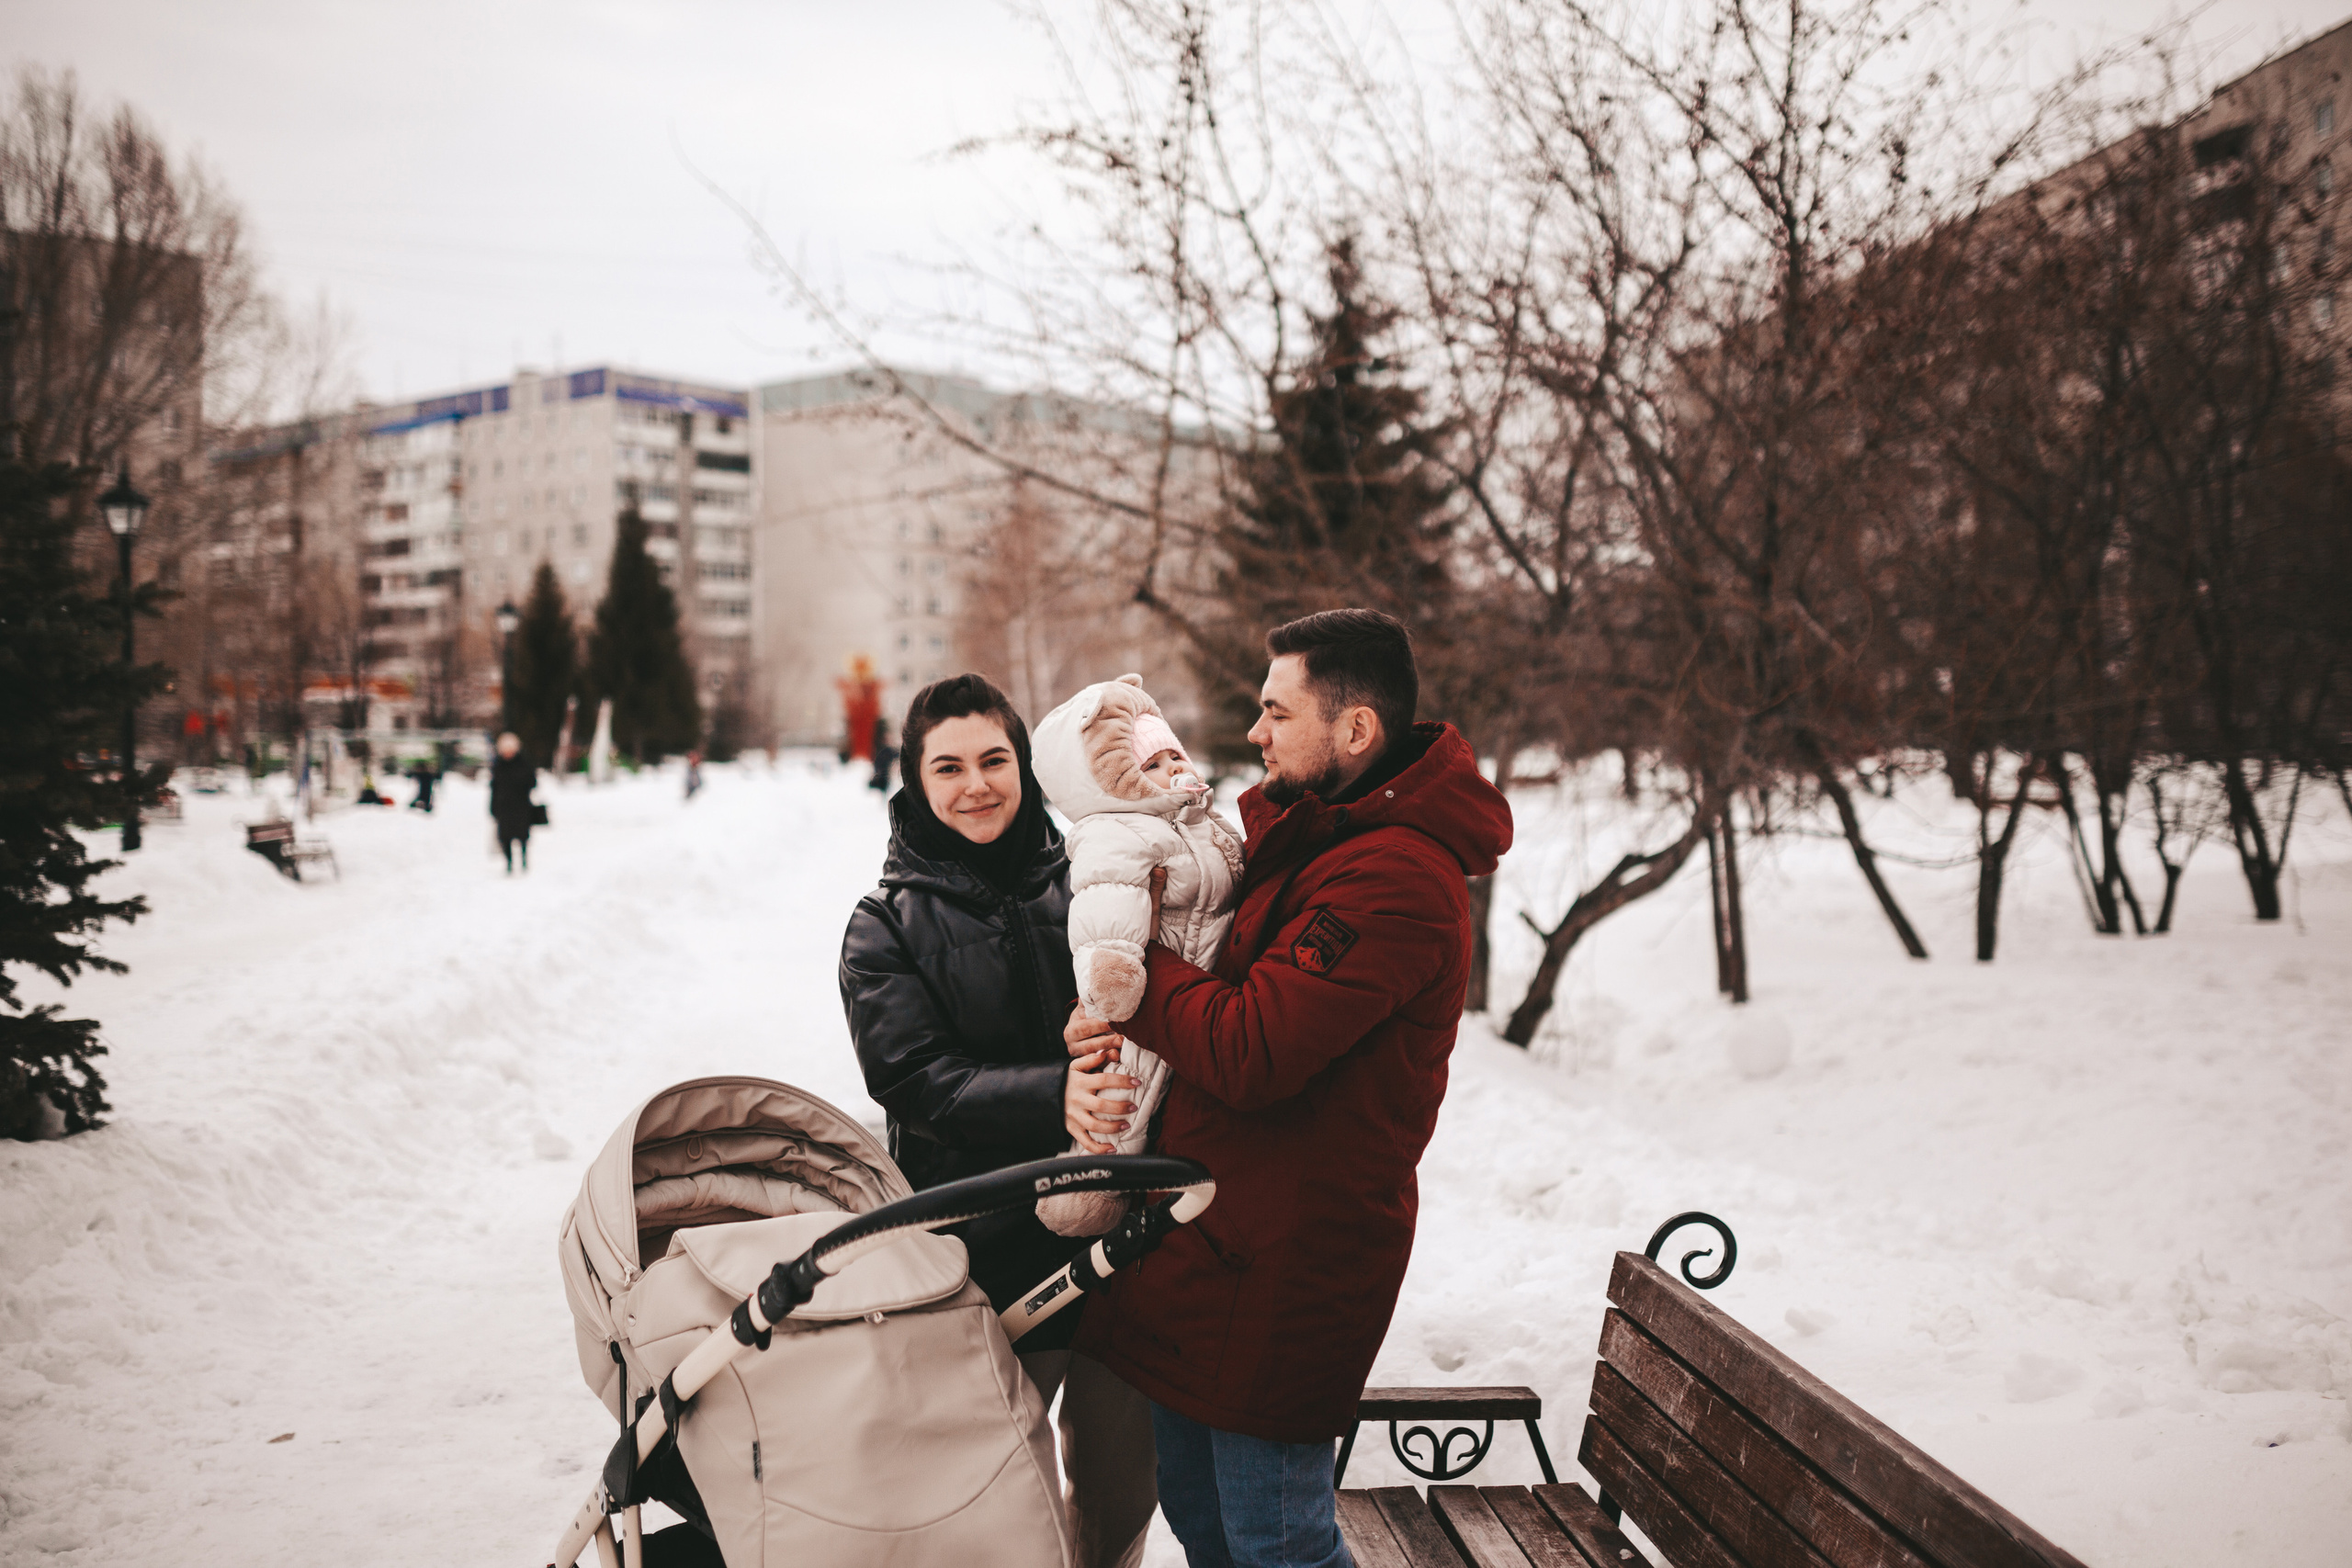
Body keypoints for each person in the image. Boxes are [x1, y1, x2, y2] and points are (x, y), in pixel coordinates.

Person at [1065, 610, 1513, 1568]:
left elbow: (1250, 1045)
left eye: (1276, 711)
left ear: (1355, 732)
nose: (1254, 733)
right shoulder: (1322, 837)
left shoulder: (1395, 877)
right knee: (1202, 1515)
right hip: (1216, 1242)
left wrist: (1131, 969)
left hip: (1288, 1262)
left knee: (1278, 1540)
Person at [839, 674, 1159, 1568]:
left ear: (1023, 764)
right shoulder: (883, 927)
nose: (975, 784)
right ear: (916, 781)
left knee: (1119, 1486)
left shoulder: (1100, 887)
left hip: (1115, 1247)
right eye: (949, 767)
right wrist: (1055, 1095)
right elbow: (915, 1079)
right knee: (1001, 1502)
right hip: (977, 1255)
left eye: (994, 759)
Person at [1028, 673, 1242, 1237]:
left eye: (1175, 755)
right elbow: (1105, 907)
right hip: (1143, 996)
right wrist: (1115, 970)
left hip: (1199, 987)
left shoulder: (1203, 823)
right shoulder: (1116, 833)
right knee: (1126, 1093)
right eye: (1152, 765)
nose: (1174, 769)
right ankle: (1089, 1183)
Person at [489, 732, 537, 874]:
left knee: (522, 835)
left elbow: (532, 782)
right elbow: (494, 787)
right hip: (503, 806)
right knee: (505, 837)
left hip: (521, 805)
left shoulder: (524, 763)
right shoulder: (498, 765)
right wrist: (493, 807)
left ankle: (523, 858)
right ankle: (509, 862)